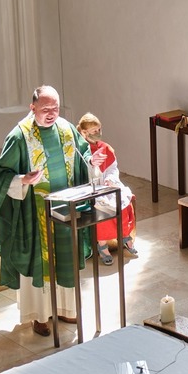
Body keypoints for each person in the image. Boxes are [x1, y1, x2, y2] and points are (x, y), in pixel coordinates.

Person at [0, 85, 92, 337]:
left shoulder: (66, 129)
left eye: (55, 108)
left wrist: (92, 162)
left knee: (66, 259)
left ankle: (66, 308)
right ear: (32, 107)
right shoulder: (19, 136)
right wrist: (22, 180)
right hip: (35, 212)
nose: (51, 113)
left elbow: (83, 154)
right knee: (40, 262)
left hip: (66, 208)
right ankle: (39, 316)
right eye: (45, 109)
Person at [77, 112, 139, 265]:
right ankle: (102, 245)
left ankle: (125, 236)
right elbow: (80, 171)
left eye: (99, 129)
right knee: (101, 208)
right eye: (94, 131)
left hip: (107, 184)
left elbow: (112, 168)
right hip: (90, 188)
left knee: (123, 199)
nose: (98, 133)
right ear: (84, 132)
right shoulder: (79, 150)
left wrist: (111, 179)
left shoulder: (106, 148)